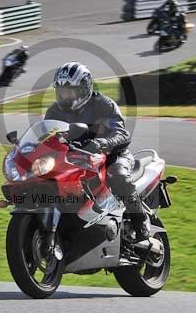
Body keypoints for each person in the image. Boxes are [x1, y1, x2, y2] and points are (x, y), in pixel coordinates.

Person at [45, 62, 152, 242]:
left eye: (70, 91)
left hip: (113, 155)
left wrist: (103, 142)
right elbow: (46, 136)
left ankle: (140, 221)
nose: (65, 96)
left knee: (117, 175)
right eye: (62, 91)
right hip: (76, 158)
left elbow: (122, 134)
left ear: (84, 89)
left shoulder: (104, 105)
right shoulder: (54, 111)